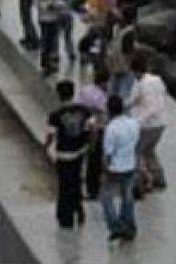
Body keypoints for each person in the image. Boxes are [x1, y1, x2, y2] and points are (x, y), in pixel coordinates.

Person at [45, 80, 93, 229]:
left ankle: (65, 216)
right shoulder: (85, 110)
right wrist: (88, 145)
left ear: (59, 95)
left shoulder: (55, 115)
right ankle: (79, 209)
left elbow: (51, 136)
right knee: (77, 180)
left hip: (64, 154)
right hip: (80, 151)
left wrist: (46, 147)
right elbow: (91, 128)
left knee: (64, 185)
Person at [100, 94, 140, 243]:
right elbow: (136, 144)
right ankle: (130, 225)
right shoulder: (133, 123)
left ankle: (116, 226)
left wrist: (104, 170)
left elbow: (108, 154)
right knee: (127, 197)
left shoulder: (111, 129)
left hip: (114, 168)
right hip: (130, 164)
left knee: (105, 197)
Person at [130, 53, 168, 196]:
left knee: (137, 153)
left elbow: (149, 108)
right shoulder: (157, 80)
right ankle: (159, 178)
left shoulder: (142, 85)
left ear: (136, 71)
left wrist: (136, 121)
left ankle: (144, 181)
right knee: (150, 151)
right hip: (161, 123)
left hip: (147, 126)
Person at [77, 68, 110, 200]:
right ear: (103, 82)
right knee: (94, 162)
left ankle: (82, 187)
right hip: (96, 130)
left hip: (82, 128)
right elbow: (103, 113)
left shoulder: (85, 90)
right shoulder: (101, 97)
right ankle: (93, 190)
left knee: (85, 160)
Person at [34, 0, 66, 73]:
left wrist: (57, 5)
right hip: (44, 18)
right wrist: (47, 6)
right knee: (45, 40)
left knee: (53, 41)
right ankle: (45, 62)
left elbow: (62, 0)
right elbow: (36, 2)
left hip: (55, 17)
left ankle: (50, 62)